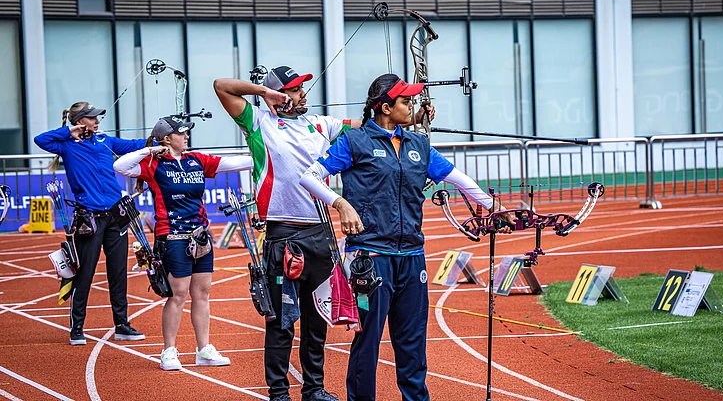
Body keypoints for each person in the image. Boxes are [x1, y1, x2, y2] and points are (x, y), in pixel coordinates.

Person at [299, 73, 512, 401]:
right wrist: (340, 204)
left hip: (412, 257)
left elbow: (458, 178)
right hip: (370, 258)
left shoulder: (418, 144)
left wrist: (493, 205)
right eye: (406, 101)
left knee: (412, 343)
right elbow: (310, 177)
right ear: (385, 107)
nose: (412, 105)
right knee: (367, 340)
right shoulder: (355, 141)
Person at [214, 66, 366, 401]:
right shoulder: (258, 122)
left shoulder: (320, 124)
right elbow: (221, 86)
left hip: (319, 233)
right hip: (283, 235)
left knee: (317, 320)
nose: (303, 95)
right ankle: (279, 393)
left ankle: (314, 389)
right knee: (281, 322)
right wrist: (263, 92)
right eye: (295, 90)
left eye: (301, 89)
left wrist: (412, 122)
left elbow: (366, 127)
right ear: (280, 96)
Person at [113, 116, 254, 371]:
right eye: (182, 133)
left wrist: (264, 150)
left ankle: (204, 349)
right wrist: (150, 149)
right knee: (177, 295)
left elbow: (238, 162)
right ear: (167, 139)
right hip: (173, 237)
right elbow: (121, 166)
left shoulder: (196, 160)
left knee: (202, 293)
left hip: (201, 235)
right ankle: (169, 350)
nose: (187, 137)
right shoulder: (153, 164)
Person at [34, 101, 147, 345]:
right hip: (90, 219)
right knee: (84, 274)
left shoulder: (106, 141)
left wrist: (159, 140)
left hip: (117, 216)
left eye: (97, 118)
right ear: (79, 122)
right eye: (92, 118)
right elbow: (40, 139)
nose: (97, 122)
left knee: (118, 273)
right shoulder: (66, 144)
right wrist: (68, 132)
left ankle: (122, 324)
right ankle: (77, 328)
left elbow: (137, 146)